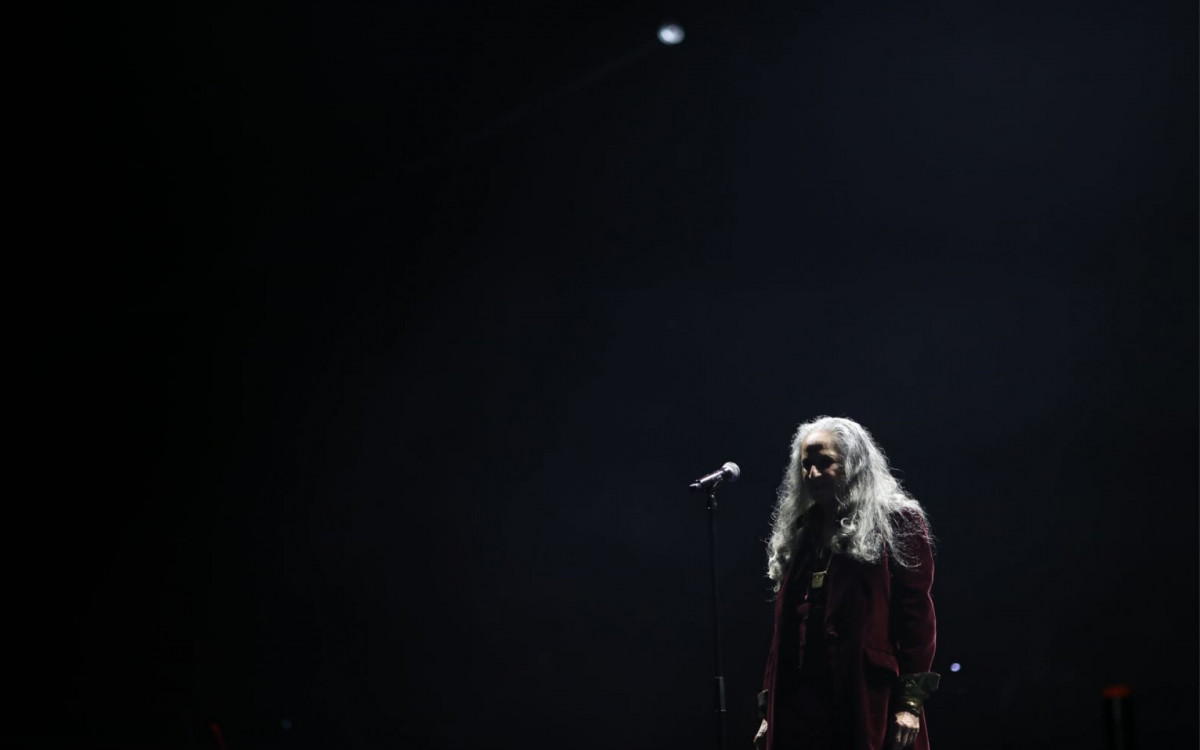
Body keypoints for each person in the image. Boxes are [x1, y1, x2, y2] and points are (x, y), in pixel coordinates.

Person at [754, 416, 939, 750]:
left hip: (866, 694)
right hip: (801, 701)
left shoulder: (897, 520)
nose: (812, 473)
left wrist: (909, 704)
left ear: (853, 465)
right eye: (806, 465)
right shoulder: (801, 531)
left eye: (824, 463)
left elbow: (916, 618)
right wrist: (770, 710)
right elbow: (782, 629)